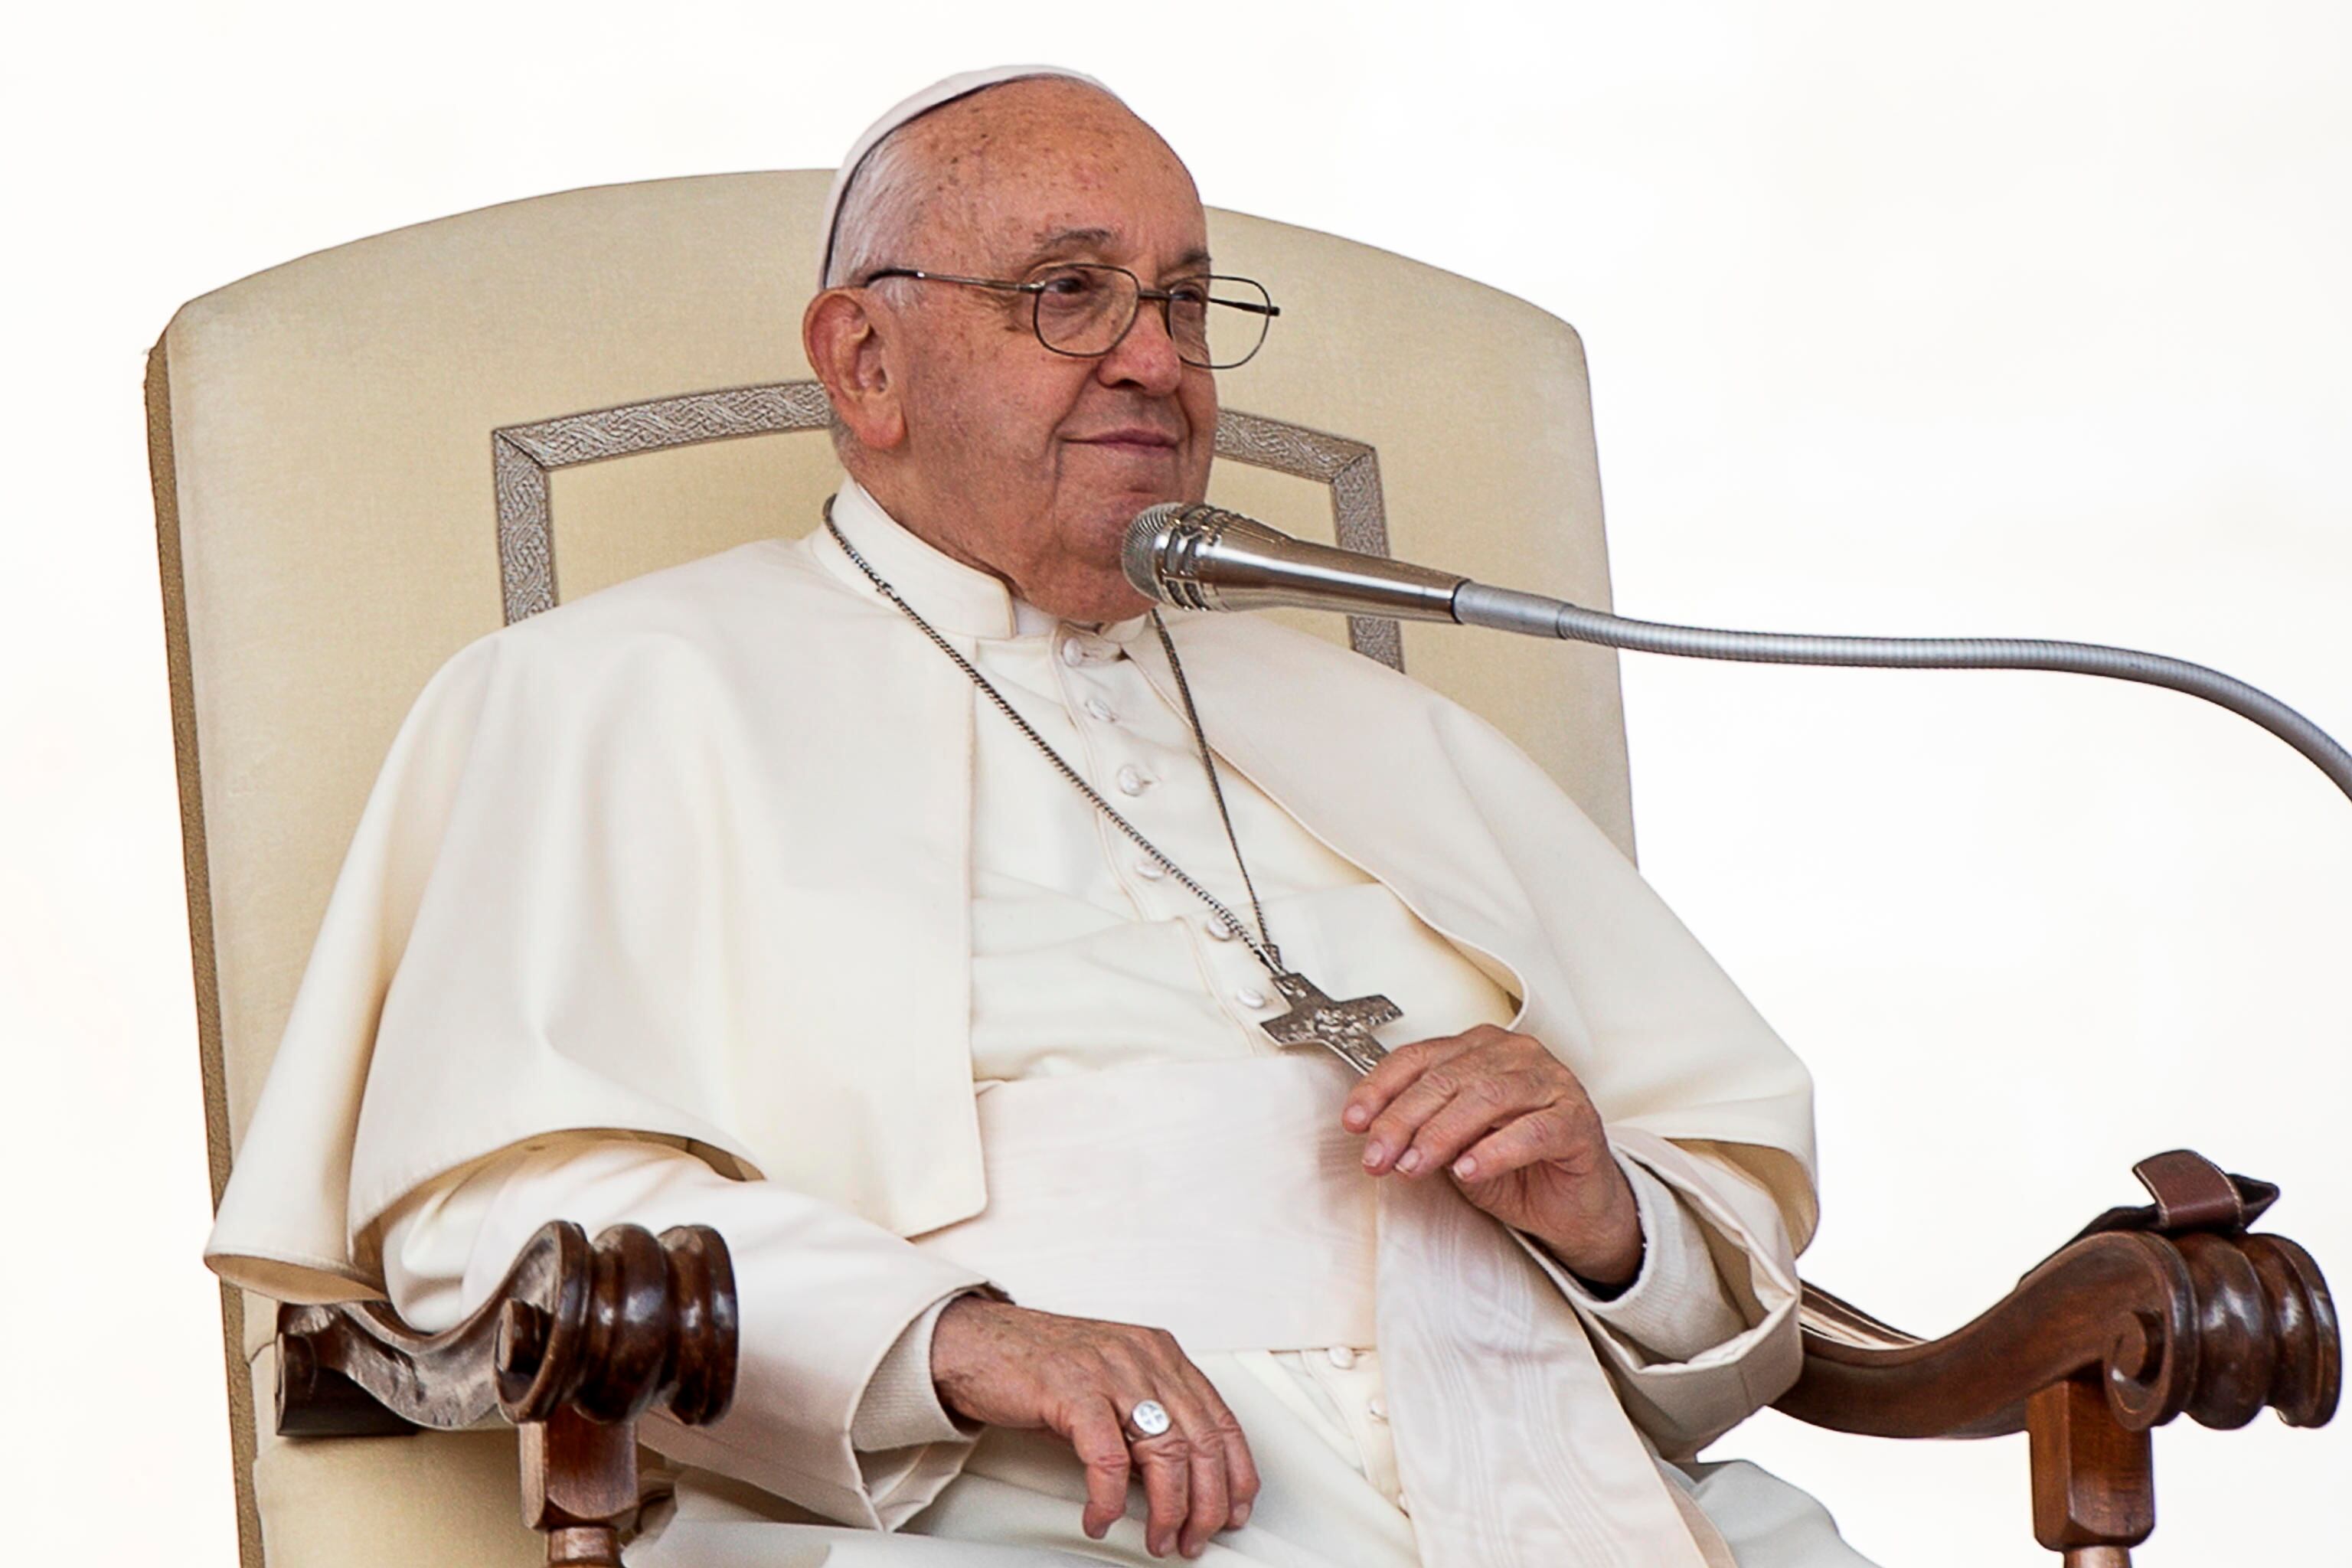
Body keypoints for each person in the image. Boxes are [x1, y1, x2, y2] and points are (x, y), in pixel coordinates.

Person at [205, 64, 1877, 1567]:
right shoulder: (612, 693)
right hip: (1021, 1500)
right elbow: (492, 1218)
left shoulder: (1383, 725)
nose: (1157, 360)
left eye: (1188, 301)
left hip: (1544, 1468)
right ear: (865, 360)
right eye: (1070, 294)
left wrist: (1603, 1211)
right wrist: (953, 1337)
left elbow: (1721, 1237)